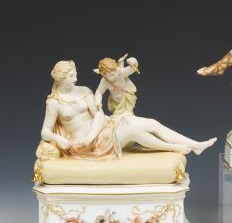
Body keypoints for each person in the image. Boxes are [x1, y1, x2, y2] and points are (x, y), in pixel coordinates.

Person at [41, 60, 216, 159]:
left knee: (152, 123)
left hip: (99, 130)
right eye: (71, 76)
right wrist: (58, 139)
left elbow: (99, 114)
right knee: (133, 132)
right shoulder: (54, 103)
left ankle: (195, 145)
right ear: (60, 79)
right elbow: (45, 132)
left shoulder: (84, 91)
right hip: (88, 145)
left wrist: (91, 135)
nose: (76, 78)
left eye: (75, 74)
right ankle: (173, 148)